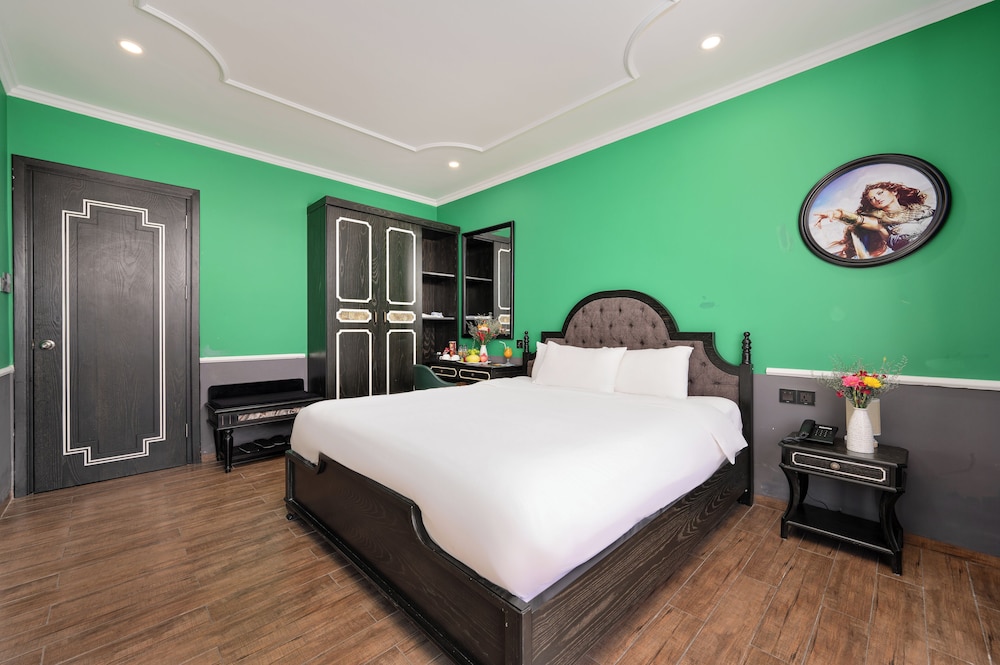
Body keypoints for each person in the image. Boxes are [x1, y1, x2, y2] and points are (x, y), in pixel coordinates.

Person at [813, 181, 934, 259]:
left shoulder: (922, 209)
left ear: (894, 191)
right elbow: (859, 220)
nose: (877, 198)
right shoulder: (880, 222)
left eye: (880, 193)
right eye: (872, 199)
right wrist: (837, 214)